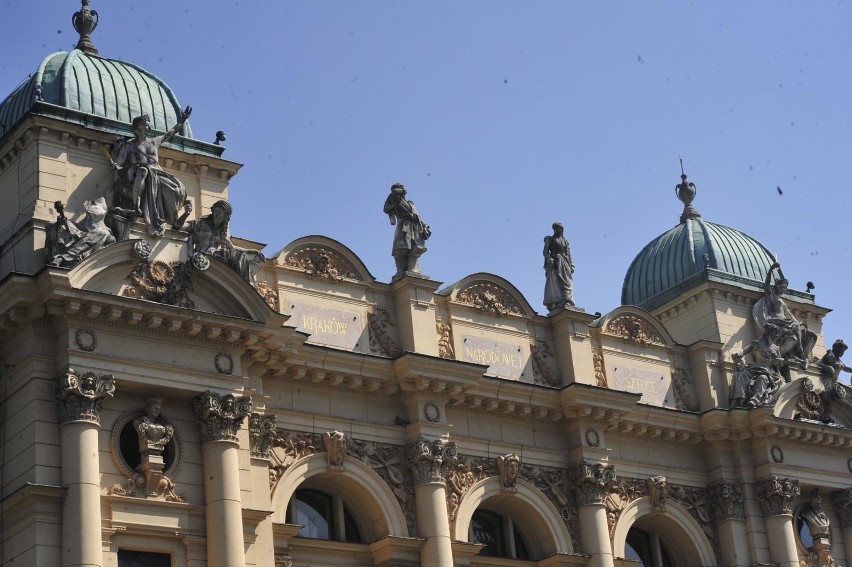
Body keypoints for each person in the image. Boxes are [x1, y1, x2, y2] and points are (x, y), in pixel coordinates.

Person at [112, 107, 192, 236]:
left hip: (156, 173)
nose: (148, 128)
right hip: (134, 172)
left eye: (148, 126)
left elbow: (170, 133)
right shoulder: (129, 145)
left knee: (177, 188)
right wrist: (116, 166)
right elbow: (119, 162)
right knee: (143, 170)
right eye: (146, 125)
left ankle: (171, 218)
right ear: (138, 127)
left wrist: (182, 121)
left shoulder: (154, 142)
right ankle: (136, 206)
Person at [185, 200, 264, 285]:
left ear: (225, 217)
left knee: (241, 256)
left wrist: (252, 251)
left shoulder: (220, 233)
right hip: (204, 256)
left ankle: (245, 284)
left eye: (219, 212)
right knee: (228, 255)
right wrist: (186, 214)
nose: (216, 213)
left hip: (214, 257)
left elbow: (233, 248)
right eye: (216, 211)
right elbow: (181, 226)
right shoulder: (200, 223)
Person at [753, 261, 816, 367]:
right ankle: (799, 353)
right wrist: (771, 270)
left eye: (785, 288)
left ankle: (804, 356)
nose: (784, 289)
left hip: (787, 322)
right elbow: (767, 285)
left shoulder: (781, 301)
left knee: (811, 335)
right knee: (794, 331)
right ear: (776, 286)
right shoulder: (771, 297)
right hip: (776, 322)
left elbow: (789, 315)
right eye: (782, 287)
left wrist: (800, 324)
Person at [49, 198, 116, 267]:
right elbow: (73, 231)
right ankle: (62, 258)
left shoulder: (105, 230)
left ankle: (62, 258)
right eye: (93, 205)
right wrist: (60, 224)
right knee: (51, 225)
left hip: (94, 252)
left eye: (97, 205)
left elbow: (111, 241)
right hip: (80, 243)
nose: (94, 208)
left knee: (100, 233)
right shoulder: (81, 224)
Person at [383, 183, 431, 278]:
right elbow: (386, 207)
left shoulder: (410, 203)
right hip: (403, 225)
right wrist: (399, 191)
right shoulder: (395, 200)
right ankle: (400, 271)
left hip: (415, 226)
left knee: (415, 248)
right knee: (400, 249)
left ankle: (412, 269)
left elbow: (417, 216)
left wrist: (424, 224)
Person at [543, 222, 574, 312]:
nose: (557, 230)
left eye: (558, 228)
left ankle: (567, 300)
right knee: (555, 282)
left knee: (568, 282)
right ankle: (557, 302)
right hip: (554, 263)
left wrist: (571, 265)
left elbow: (568, 254)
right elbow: (545, 251)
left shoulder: (565, 241)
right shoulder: (549, 239)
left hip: (564, 263)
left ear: (562, 229)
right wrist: (549, 258)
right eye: (555, 228)